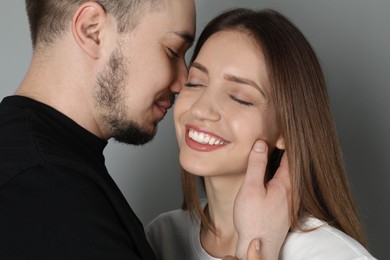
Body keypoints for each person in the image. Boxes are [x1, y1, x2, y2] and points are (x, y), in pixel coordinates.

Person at [0, 1, 291, 259]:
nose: (182, 82)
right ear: (92, 30)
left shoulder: (45, 171)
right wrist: (257, 246)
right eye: (172, 50)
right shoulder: (45, 190)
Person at [145, 8, 377, 260]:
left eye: (239, 98)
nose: (201, 109)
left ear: (287, 130)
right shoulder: (161, 237)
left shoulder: (330, 254)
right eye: (195, 83)